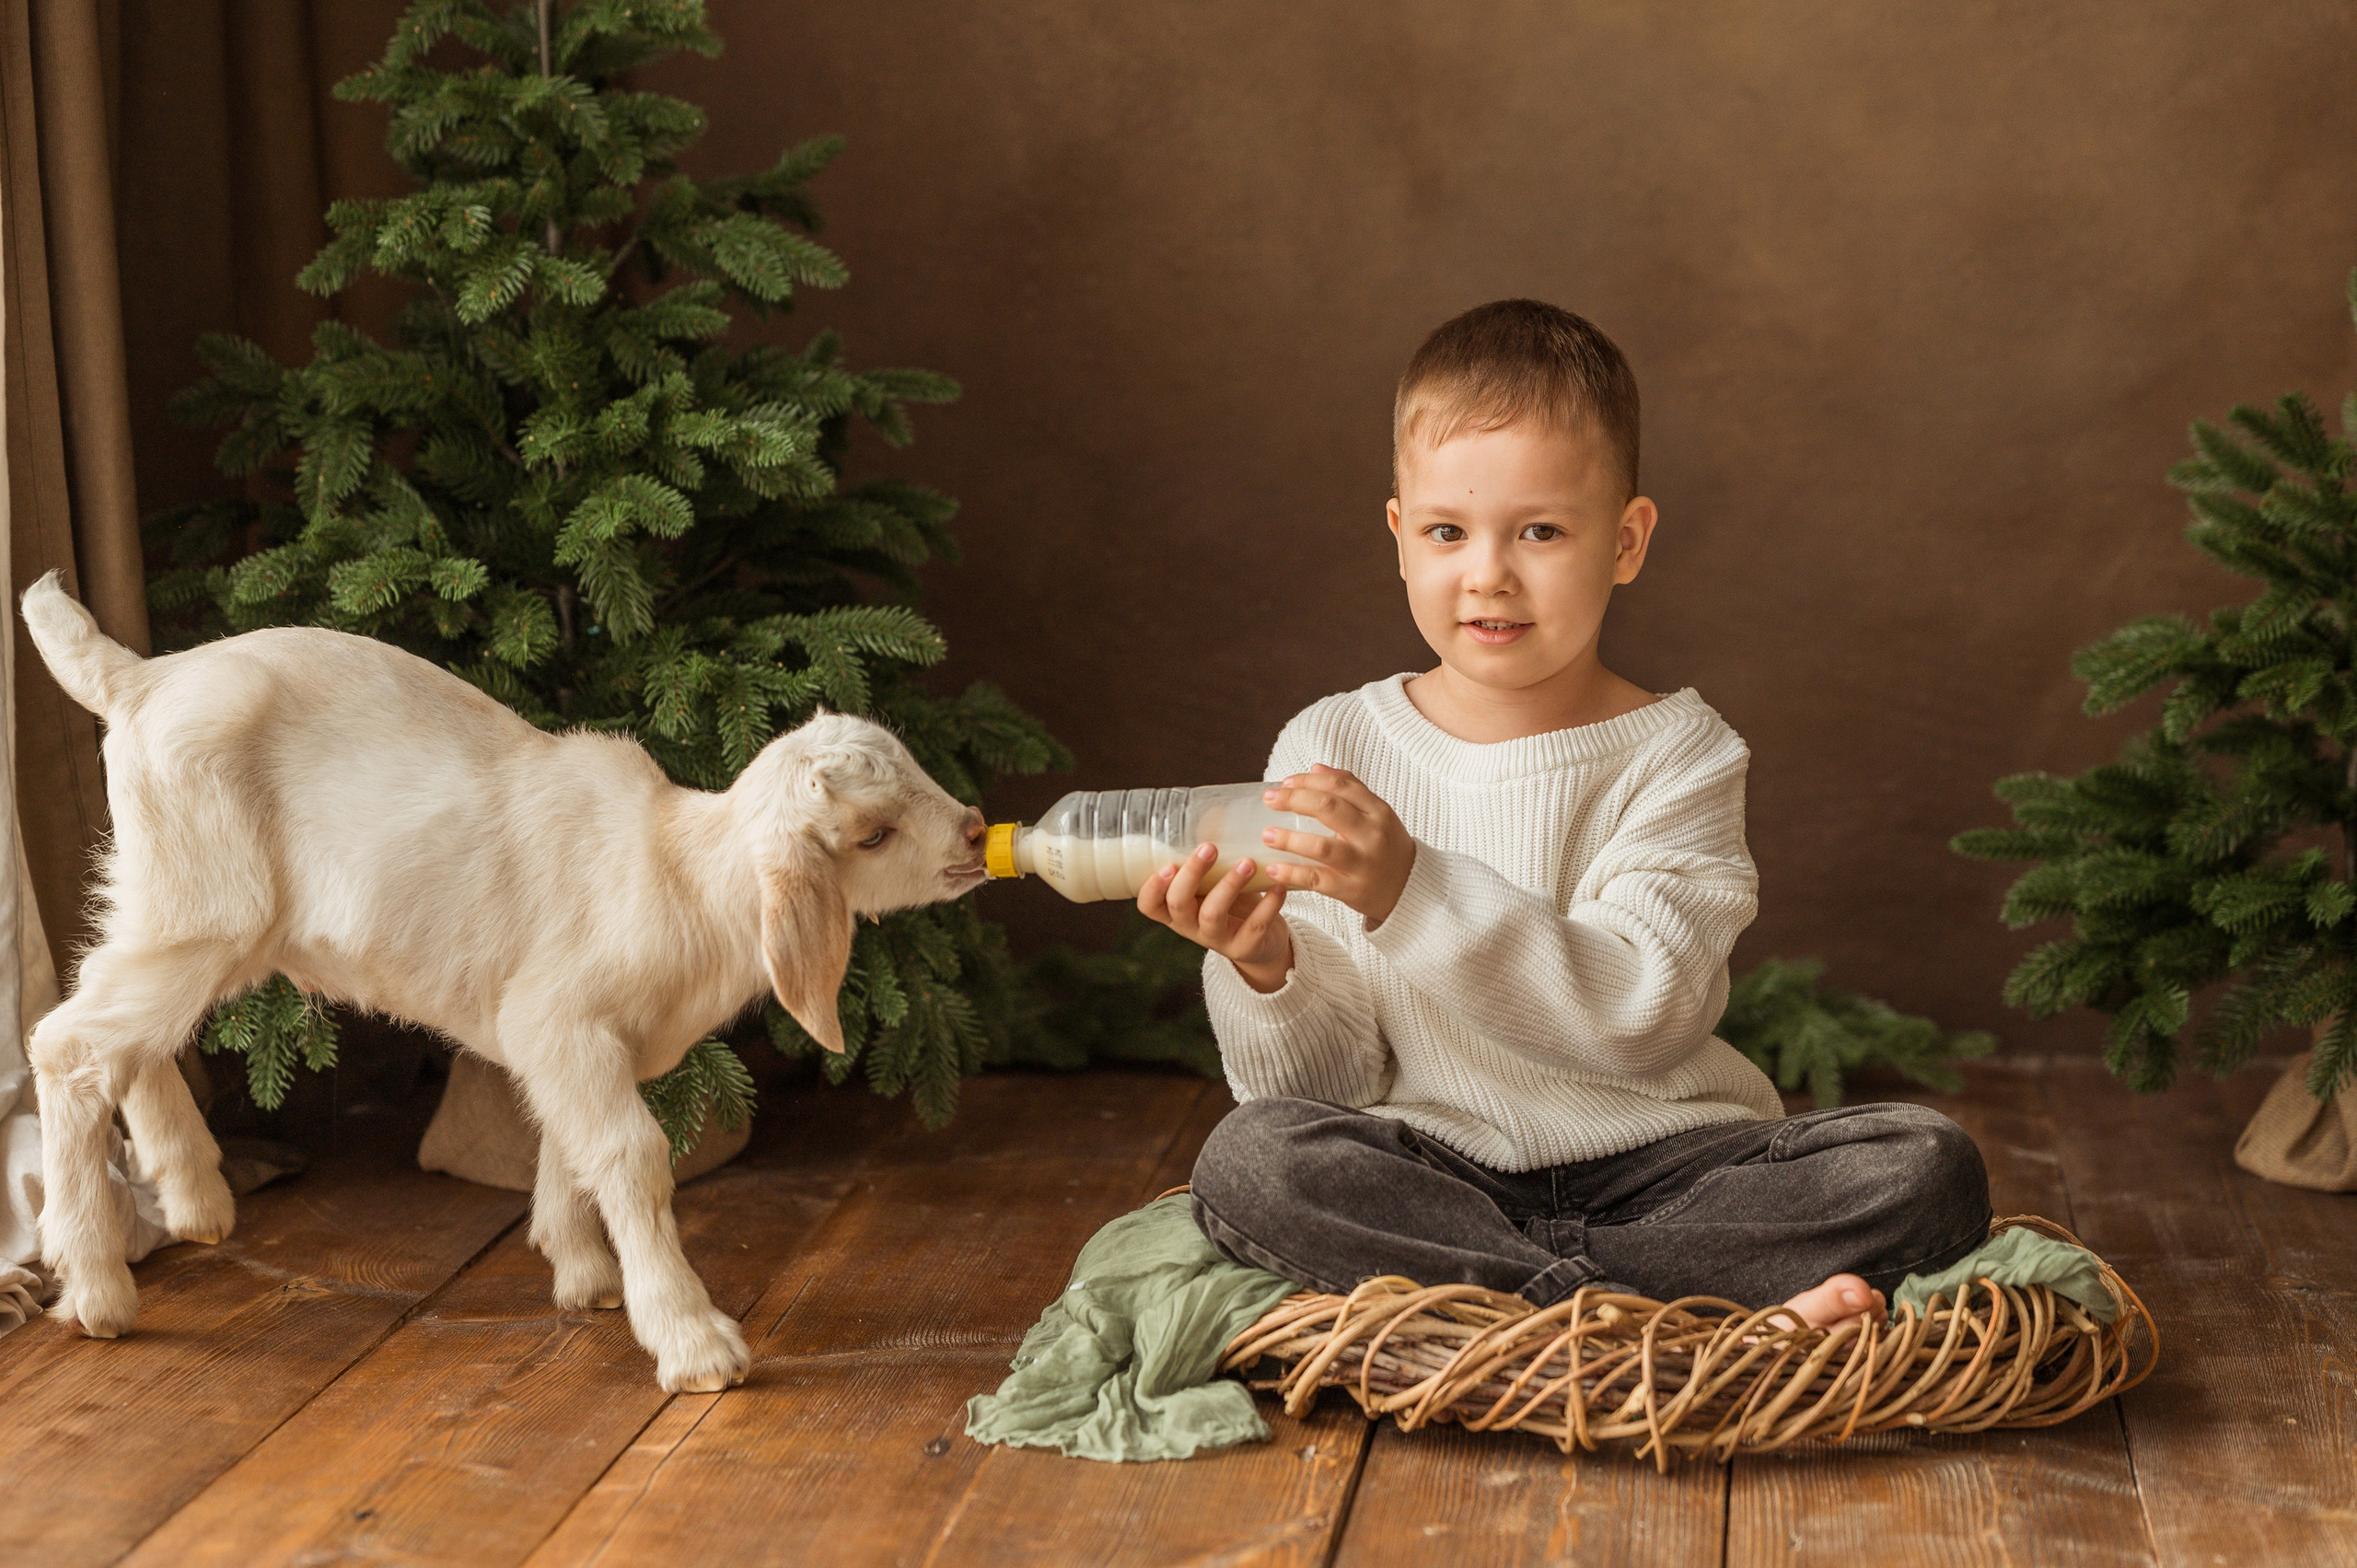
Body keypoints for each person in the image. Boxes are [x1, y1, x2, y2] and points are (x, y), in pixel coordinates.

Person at [1138, 299, 1990, 1328]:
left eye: (1539, 530)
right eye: (1449, 531)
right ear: (1401, 537)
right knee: (1254, 1160)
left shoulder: (1682, 754)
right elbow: (1328, 1087)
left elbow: (1641, 1019)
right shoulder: (1332, 747)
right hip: (1440, 1174)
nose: (1488, 571)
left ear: (1625, 541)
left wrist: (1412, 887)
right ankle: (1658, 1323)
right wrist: (1265, 967)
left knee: (1924, 1165)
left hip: (1670, 1172)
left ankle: (1530, 1314)